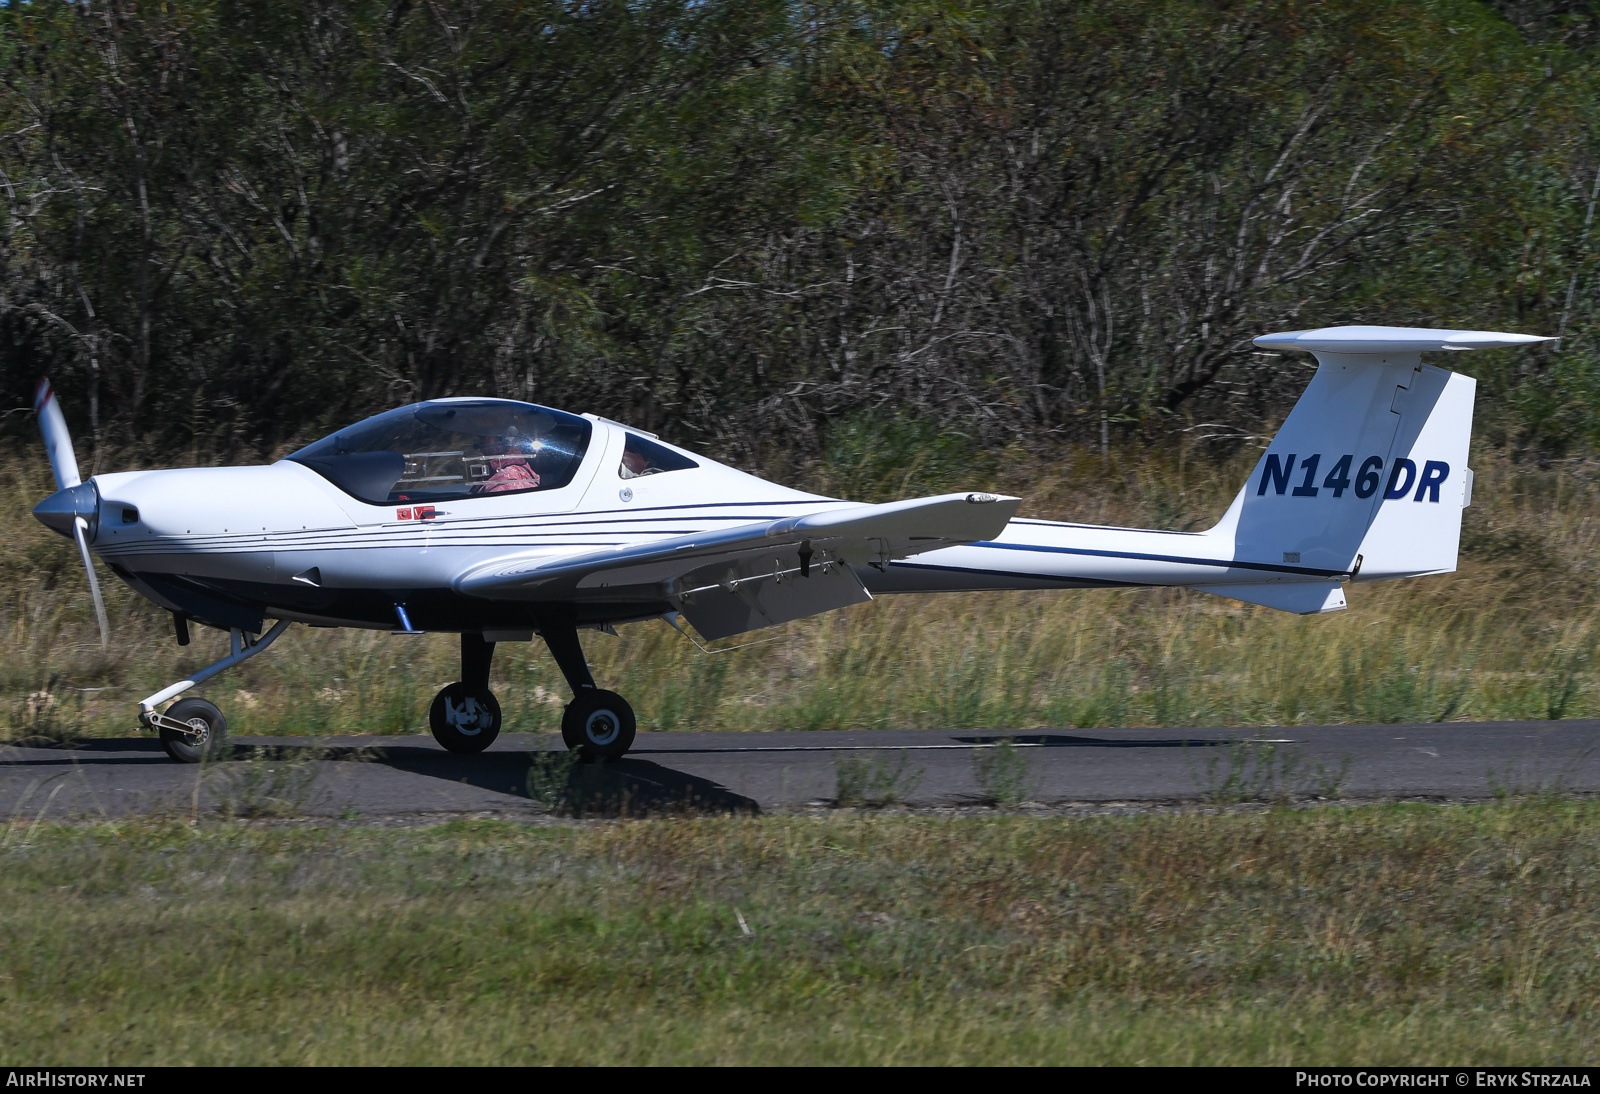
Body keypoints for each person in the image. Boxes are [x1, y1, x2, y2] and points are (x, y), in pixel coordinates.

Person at [473, 434, 541, 494]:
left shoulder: (509, 480)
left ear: (501, 441)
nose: (479, 445)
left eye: (483, 437)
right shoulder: (494, 470)